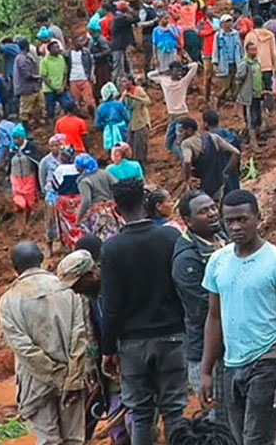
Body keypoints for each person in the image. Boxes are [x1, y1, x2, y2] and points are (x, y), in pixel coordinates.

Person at [200, 190, 276, 445]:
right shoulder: (217, 262)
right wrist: (206, 371)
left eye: (243, 219)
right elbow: (214, 317)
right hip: (230, 364)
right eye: (229, 220)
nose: (235, 227)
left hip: (266, 362)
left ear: (257, 217)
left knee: (256, 439)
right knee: (236, 437)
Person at [100, 177, 189, 445]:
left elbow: (112, 307)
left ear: (116, 209)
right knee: (174, 410)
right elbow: (183, 287)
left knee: (140, 414)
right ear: (144, 203)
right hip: (173, 335)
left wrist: (108, 349)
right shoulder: (171, 237)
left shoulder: (112, 248)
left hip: (132, 343)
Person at [0, 241, 93, 445]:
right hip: (72, 376)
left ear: (14, 267)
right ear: (41, 259)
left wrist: (54, 375)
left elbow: (24, 349)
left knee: (48, 440)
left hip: (36, 382)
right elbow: (80, 335)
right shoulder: (68, 289)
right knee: (75, 439)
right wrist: (71, 377)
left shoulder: (8, 301)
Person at [173, 191, 226, 402]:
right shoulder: (187, 259)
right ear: (188, 221)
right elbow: (202, 309)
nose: (212, 213)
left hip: (233, 345)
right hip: (207, 352)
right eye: (203, 212)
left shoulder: (225, 239)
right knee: (219, 420)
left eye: (213, 207)